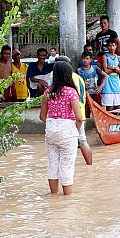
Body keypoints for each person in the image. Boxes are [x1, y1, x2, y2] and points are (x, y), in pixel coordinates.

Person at [39, 61, 84, 196]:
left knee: (53, 164)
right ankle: (67, 202)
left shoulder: (48, 92)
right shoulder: (71, 92)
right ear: (68, 74)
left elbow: (42, 117)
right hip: (68, 129)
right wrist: (75, 130)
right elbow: (79, 117)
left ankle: (53, 197)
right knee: (67, 166)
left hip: (51, 128)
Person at [57, 56, 93, 166]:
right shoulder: (78, 77)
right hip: (80, 113)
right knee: (82, 140)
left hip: (68, 115)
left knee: (63, 143)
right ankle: (90, 166)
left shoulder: (61, 79)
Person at [101, 39, 120, 110]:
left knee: (118, 105)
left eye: (113, 45)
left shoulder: (118, 57)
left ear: (116, 46)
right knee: (109, 106)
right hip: (108, 82)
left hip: (116, 82)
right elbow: (106, 70)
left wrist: (113, 68)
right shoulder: (105, 56)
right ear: (107, 47)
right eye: (110, 46)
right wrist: (116, 68)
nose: (112, 47)